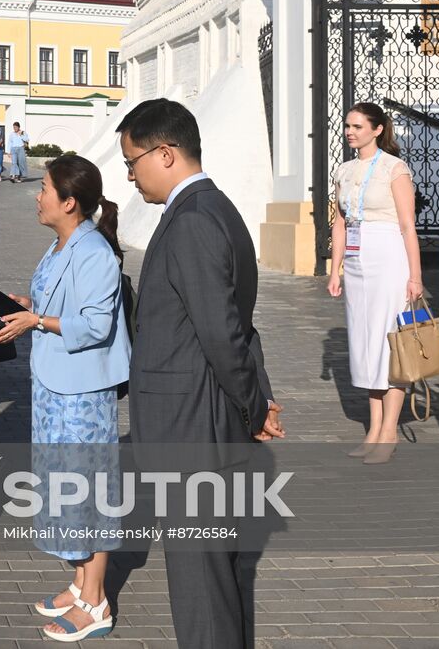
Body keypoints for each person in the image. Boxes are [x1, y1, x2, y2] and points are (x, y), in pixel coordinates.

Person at [117, 98, 283, 649]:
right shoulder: (215, 209)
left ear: (164, 154)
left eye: (132, 162)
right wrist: (256, 398)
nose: (131, 176)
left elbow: (222, 331)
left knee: (200, 585)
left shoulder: (193, 220)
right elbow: (235, 322)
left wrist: (254, 405)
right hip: (204, 419)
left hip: (191, 427)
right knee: (216, 576)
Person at [0, 155, 131, 642]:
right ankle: (80, 582)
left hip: (82, 394)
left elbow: (95, 324)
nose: (37, 195)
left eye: (45, 188)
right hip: (54, 386)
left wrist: (38, 322)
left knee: (87, 492)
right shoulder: (61, 243)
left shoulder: (94, 251)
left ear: (69, 202)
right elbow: (62, 301)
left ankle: (97, 602)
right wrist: (29, 306)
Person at [327, 102, 423, 464]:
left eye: (357, 126)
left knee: (389, 341)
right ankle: (373, 426)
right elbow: (339, 223)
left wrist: (415, 276)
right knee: (365, 342)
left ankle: (389, 432)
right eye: (348, 126)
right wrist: (335, 270)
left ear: (377, 129)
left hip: (388, 257)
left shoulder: (393, 169)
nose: (350, 131)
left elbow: (407, 225)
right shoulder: (345, 170)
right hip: (356, 259)